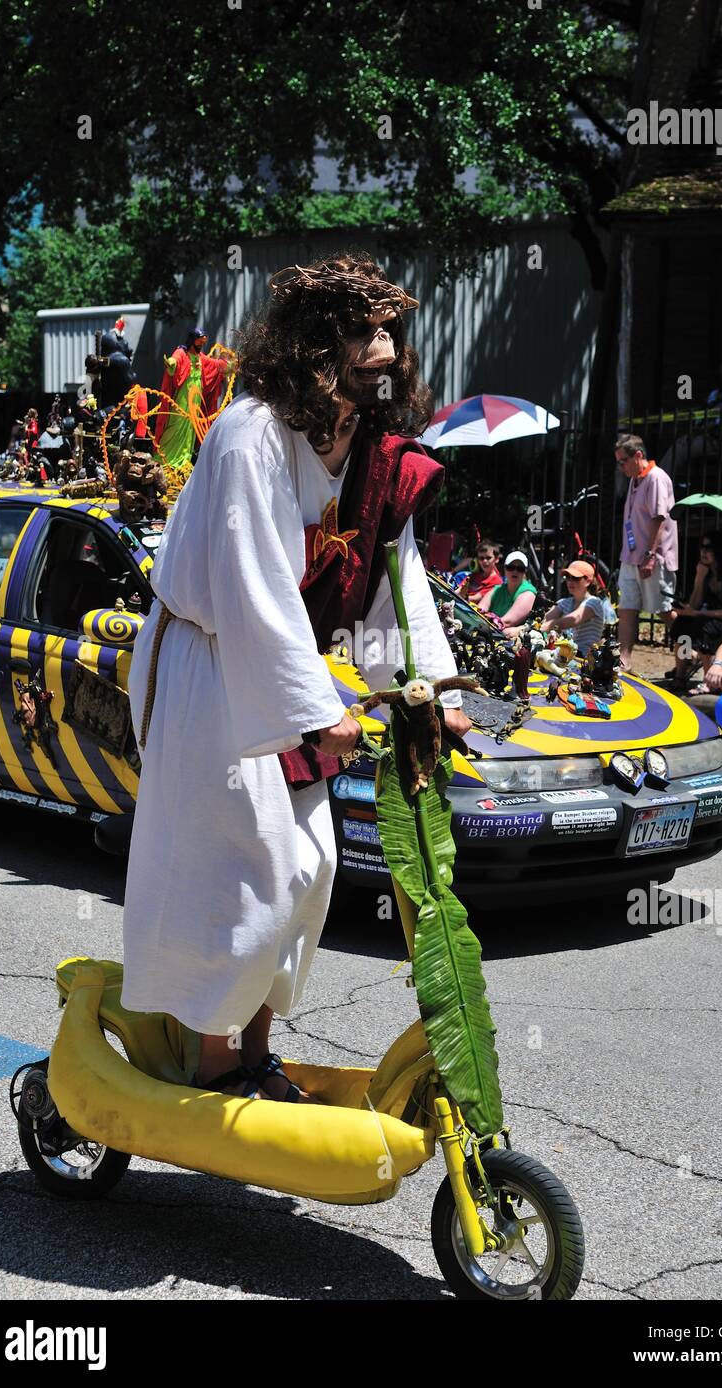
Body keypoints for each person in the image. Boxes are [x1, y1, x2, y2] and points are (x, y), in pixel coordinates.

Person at [121, 252, 471, 1102]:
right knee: (239, 866)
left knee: (308, 870)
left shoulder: (378, 447)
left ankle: (255, 1052)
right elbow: (252, 585)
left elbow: (400, 579)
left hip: (291, 675)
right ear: (314, 345)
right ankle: (211, 1067)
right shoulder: (250, 430)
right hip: (211, 661)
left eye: (390, 330)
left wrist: (432, 690)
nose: (382, 347)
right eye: (361, 331)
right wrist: (315, 710)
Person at [615, 434, 678, 671]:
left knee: (663, 611)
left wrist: (650, 555)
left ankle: (693, 650)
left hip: (652, 558)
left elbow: (659, 517)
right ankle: (624, 661)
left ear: (638, 455)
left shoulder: (657, 478)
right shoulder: (635, 479)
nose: (621, 467)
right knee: (627, 608)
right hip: (630, 556)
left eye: (623, 461)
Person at [667, 530, 722, 689]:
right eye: (701, 547)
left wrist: (697, 613)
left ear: (721, 550)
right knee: (682, 626)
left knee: (704, 628)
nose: (703, 552)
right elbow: (695, 604)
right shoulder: (707, 571)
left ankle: (709, 682)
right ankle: (681, 673)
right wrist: (699, 578)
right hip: (708, 615)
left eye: (709, 548)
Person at [659, 351, 722, 489]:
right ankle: (658, 489)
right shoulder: (715, 395)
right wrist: (695, 432)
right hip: (710, 439)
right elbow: (701, 418)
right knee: (679, 447)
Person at [154, 327, 233, 472]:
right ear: (192, 341)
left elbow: (214, 365)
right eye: (199, 342)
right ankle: (166, 459)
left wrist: (229, 366)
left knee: (191, 427)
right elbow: (175, 359)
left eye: (202, 344)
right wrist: (172, 362)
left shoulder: (200, 357)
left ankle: (184, 460)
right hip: (183, 397)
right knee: (177, 424)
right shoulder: (182, 352)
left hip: (196, 398)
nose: (201, 346)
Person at [539, 560, 608, 655]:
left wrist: (548, 625)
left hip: (584, 658)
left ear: (588, 581)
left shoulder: (594, 602)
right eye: (568, 577)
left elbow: (574, 619)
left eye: (575, 578)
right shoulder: (563, 602)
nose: (570, 581)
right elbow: (543, 619)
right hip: (563, 655)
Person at [476, 549, 537, 637]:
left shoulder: (528, 592)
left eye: (520, 569)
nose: (515, 571)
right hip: (492, 633)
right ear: (504, 568)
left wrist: (482, 624)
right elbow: (478, 612)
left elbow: (506, 622)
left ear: (525, 571)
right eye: (510, 567)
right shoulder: (497, 589)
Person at [458, 538, 503, 606]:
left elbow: (475, 598)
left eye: (488, 558)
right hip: (460, 601)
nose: (484, 561)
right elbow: (460, 588)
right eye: (481, 558)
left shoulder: (497, 582)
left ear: (496, 559)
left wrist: (459, 596)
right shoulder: (475, 574)